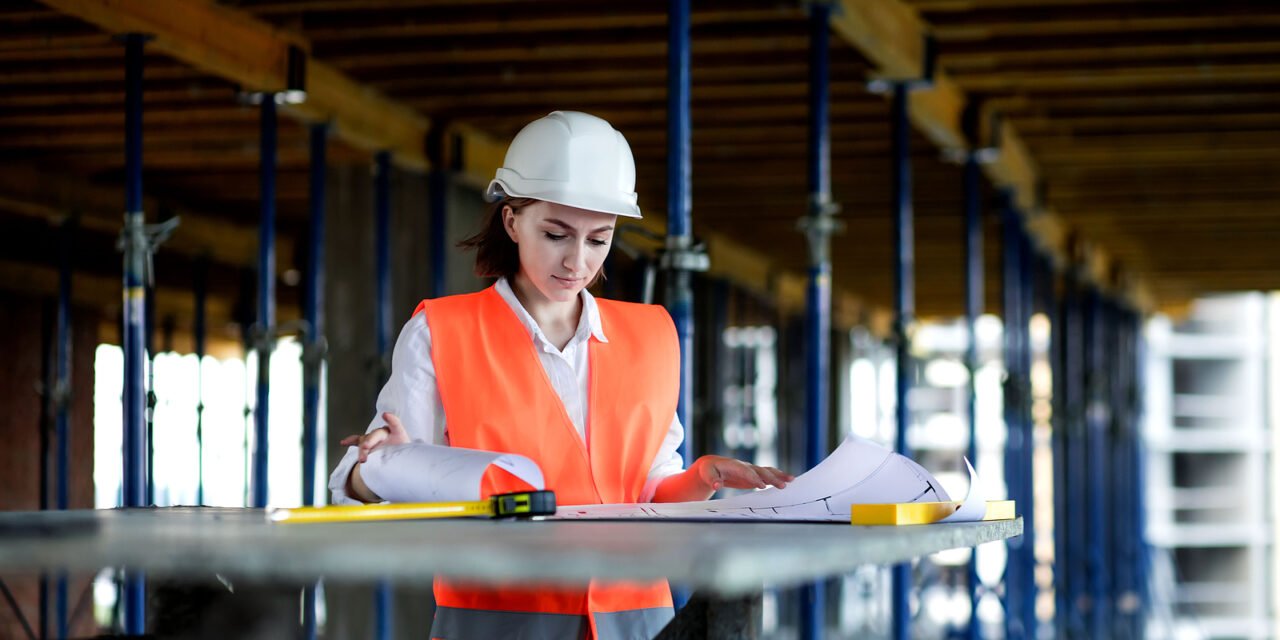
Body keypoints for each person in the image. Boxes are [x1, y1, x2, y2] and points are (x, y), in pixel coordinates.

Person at [329, 110, 792, 639]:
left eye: (599, 240)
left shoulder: (653, 336)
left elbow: (648, 496)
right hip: (496, 620)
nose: (577, 261)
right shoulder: (442, 332)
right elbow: (360, 484)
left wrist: (701, 479)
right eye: (556, 234)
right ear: (512, 221)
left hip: (635, 618)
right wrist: (384, 463)